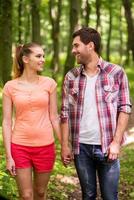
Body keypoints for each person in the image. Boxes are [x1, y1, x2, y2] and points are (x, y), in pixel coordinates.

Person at [61, 27, 132, 200]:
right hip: (81, 148)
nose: (73, 50)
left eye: (76, 46)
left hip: (107, 146)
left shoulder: (116, 72)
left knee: (110, 196)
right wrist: (64, 145)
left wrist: (116, 142)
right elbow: (65, 113)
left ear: (90, 46)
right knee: (88, 195)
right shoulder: (71, 77)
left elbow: (124, 108)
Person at [2, 43, 61, 200]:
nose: (43, 59)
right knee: (26, 196)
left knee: (40, 192)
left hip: (45, 147)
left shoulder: (49, 83)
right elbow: (7, 122)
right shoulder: (10, 86)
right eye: (38, 56)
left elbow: (54, 117)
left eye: (43, 56)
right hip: (20, 146)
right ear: (26, 59)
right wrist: (9, 156)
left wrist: (65, 145)